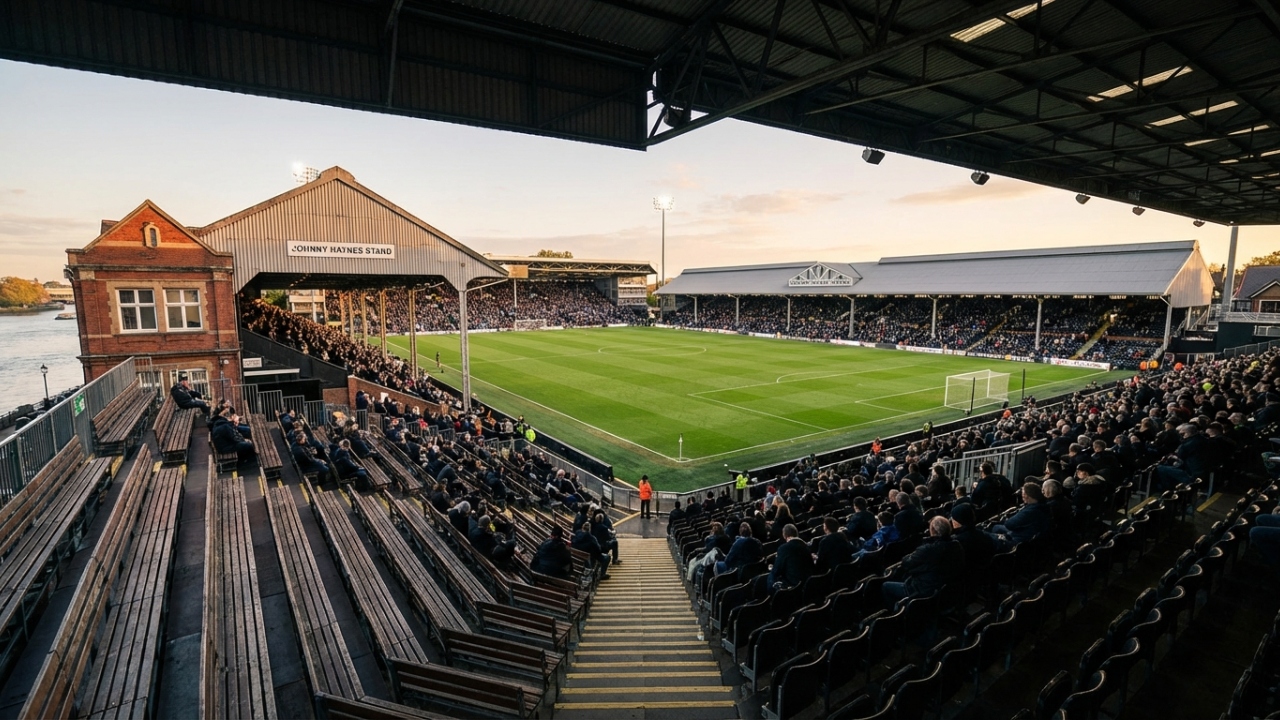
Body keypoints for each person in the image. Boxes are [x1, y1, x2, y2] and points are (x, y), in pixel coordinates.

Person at [882, 516, 965, 606]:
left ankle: (897, 613)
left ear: (932, 530)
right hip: (944, 587)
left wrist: (909, 556)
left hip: (923, 590)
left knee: (885, 586)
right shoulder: (956, 544)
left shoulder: (927, 549)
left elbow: (907, 563)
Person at [986, 482, 1052, 552]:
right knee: (996, 527)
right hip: (1027, 539)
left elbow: (1009, 524)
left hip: (1017, 544)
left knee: (985, 536)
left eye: (1023, 494)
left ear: (1026, 496)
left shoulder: (1030, 511)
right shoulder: (1043, 507)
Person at [767, 524, 814, 592]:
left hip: (793, 586)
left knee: (771, 575)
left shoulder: (783, 548)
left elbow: (777, 570)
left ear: (784, 535)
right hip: (807, 584)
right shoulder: (806, 546)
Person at [950, 503, 994, 573]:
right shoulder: (986, 536)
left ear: (956, 523)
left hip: (967, 580)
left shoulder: (956, 543)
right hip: (987, 577)